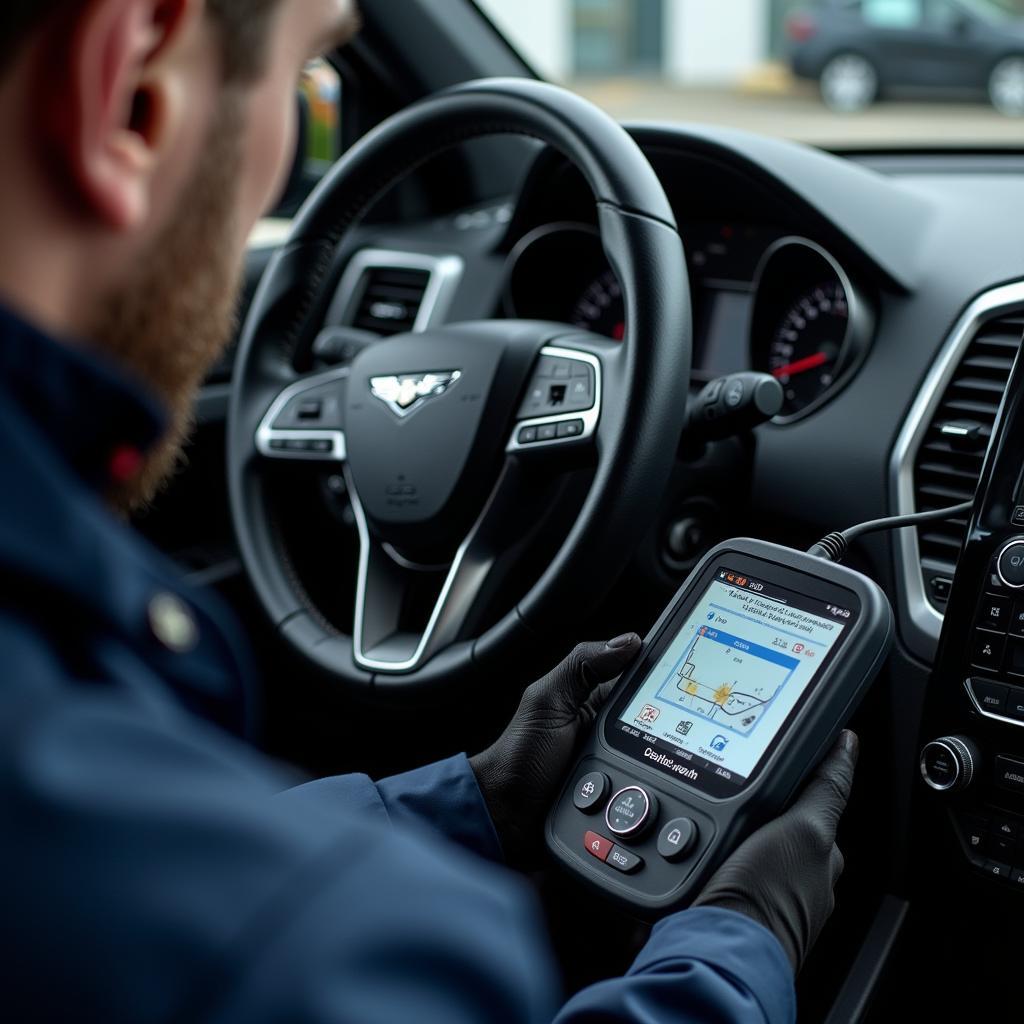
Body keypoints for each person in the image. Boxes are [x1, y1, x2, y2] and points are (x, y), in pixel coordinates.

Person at [0, 1, 859, 1021]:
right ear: (130, 92)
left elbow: (137, 851)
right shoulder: (335, 950)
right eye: (308, 89)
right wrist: (742, 945)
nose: (280, 168)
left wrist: (477, 796)